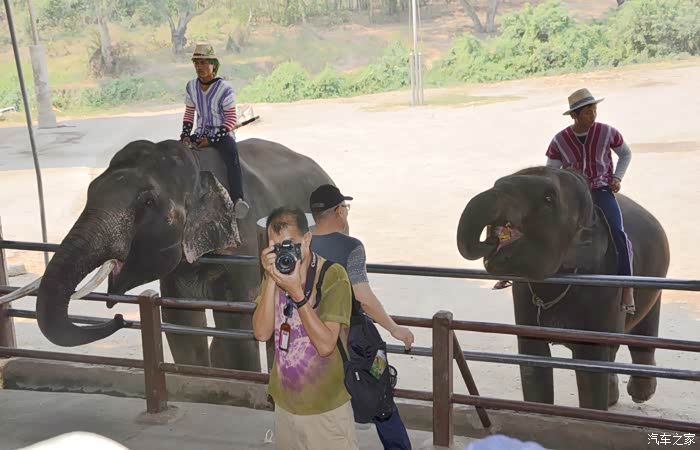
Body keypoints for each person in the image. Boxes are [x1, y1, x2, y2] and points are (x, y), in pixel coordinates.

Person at [309, 184, 415, 450]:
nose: (346, 212)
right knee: (379, 392)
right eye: (345, 207)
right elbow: (364, 298)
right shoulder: (352, 247)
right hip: (355, 338)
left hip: (310, 333)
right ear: (338, 211)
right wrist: (394, 328)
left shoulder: (300, 241)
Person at [252, 206, 358, 450]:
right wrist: (271, 278)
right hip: (284, 406)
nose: (284, 253)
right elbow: (261, 333)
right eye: (276, 247)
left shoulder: (333, 276)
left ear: (308, 239)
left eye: (291, 245)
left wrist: (297, 294)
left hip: (326, 410)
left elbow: (326, 345)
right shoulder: (275, 274)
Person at [545, 88, 635, 314]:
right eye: (587, 112)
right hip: (574, 196)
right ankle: (533, 272)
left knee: (618, 232)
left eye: (594, 110)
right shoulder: (559, 141)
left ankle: (628, 287)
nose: (593, 115)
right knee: (549, 229)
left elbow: (625, 154)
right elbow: (551, 171)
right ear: (574, 116)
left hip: (601, 191)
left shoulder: (607, 132)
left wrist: (617, 178)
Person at [179, 43, 249, 219]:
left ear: (213, 65)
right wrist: (186, 135)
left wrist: (212, 141)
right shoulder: (191, 87)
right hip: (201, 132)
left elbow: (231, 120)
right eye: (196, 63)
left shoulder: (225, 89)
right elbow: (189, 113)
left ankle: (238, 199)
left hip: (222, 134)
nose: (199, 67)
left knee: (232, 155)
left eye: (203, 62)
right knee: (178, 151)